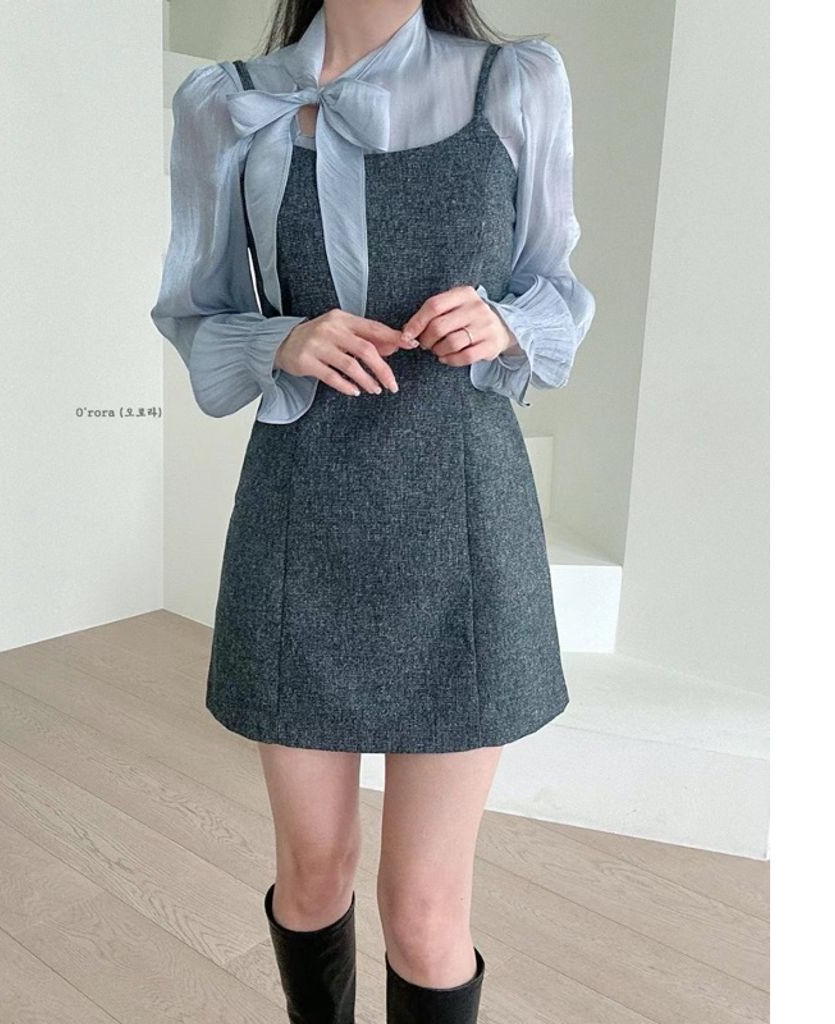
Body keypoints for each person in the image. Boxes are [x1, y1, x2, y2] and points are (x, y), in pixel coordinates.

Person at [150, 1, 595, 1020]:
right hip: (300, 517)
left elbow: (556, 293)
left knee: (425, 911)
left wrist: (504, 321)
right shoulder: (229, 103)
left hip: (464, 524)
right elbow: (195, 311)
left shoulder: (515, 83)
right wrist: (280, 339)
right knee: (313, 875)